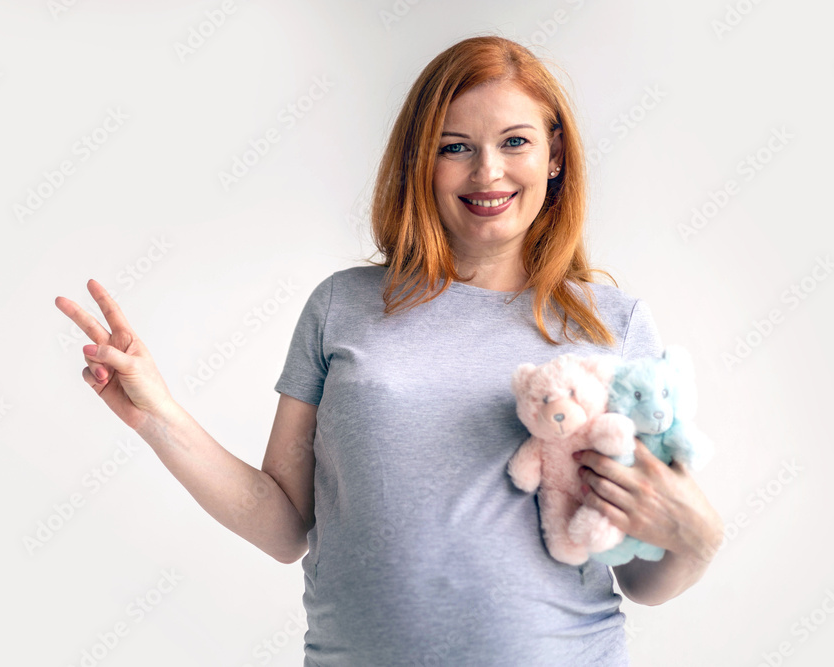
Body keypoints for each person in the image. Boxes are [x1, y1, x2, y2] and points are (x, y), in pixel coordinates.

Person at [55, 34, 724, 666]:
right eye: (454, 146)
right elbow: (283, 524)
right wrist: (157, 413)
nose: (487, 171)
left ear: (554, 156)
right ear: (418, 162)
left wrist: (698, 540)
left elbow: (640, 572)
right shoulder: (341, 307)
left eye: (514, 141)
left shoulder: (617, 325)